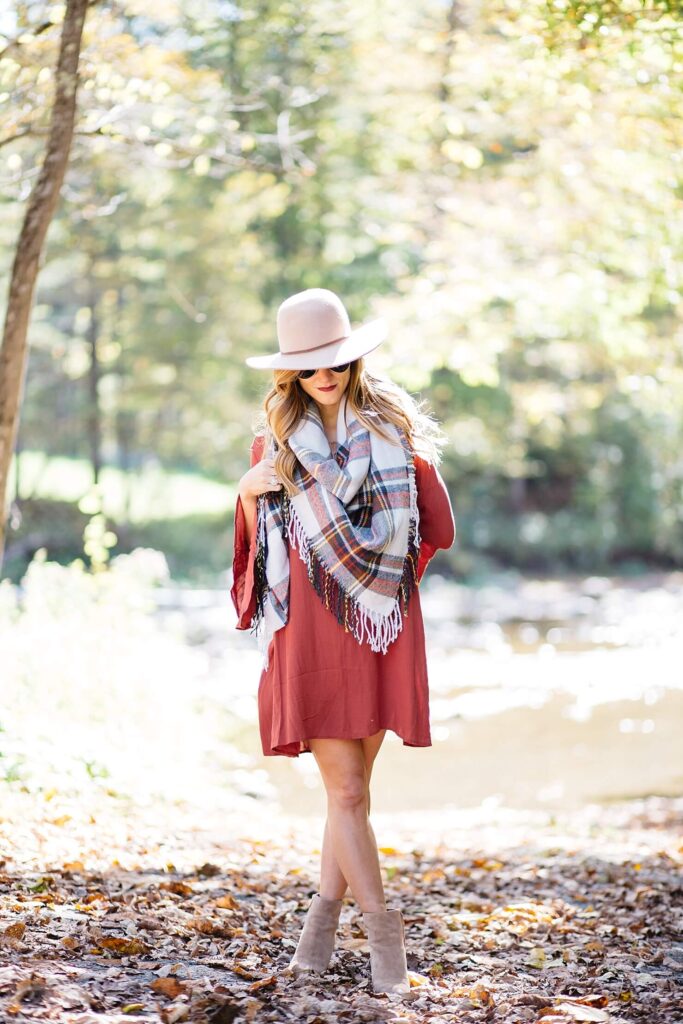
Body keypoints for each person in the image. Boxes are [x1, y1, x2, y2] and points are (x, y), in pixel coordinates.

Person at [230, 288, 455, 995]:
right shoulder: (271, 450)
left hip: (379, 627)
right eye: (307, 366)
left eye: (335, 360)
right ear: (289, 375)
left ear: (355, 360)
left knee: (348, 797)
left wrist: (379, 571)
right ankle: (388, 946)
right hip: (310, 638)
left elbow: (438, 530)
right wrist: (245, 492)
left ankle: (317, 933)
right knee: (349, 791)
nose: (323, 375)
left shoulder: (395, 435)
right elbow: (256, 557)